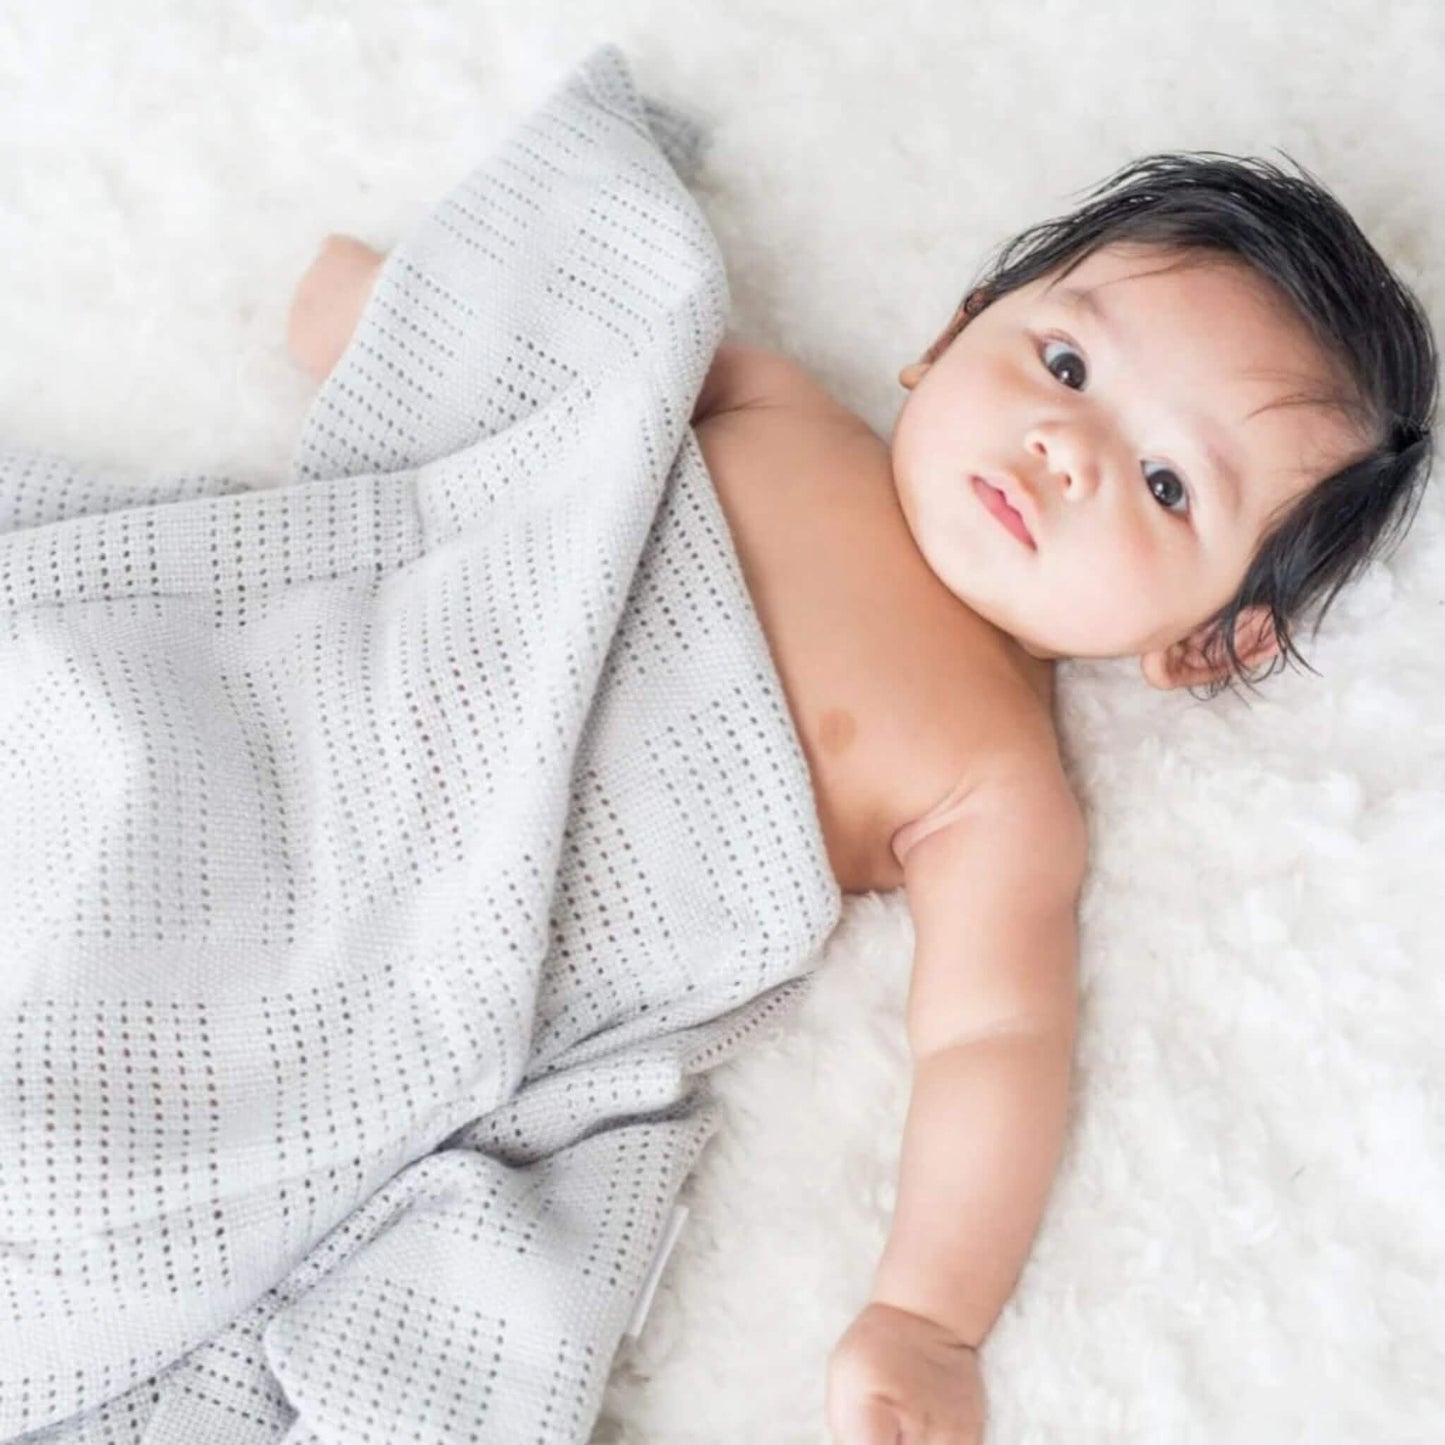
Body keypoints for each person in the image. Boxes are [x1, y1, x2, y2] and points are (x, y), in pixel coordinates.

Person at [288, 150, 1438, 1444]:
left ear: (1208, 643)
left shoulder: (997, 785)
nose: (1067, 448)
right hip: (337, 707)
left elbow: (989, 1046)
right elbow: (561, 366)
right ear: (953, 332)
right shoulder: (773, 406)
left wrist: (925, 1315)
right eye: (1065, 365)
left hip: (445, 946)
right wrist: (392, 321)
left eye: (1168, 485)